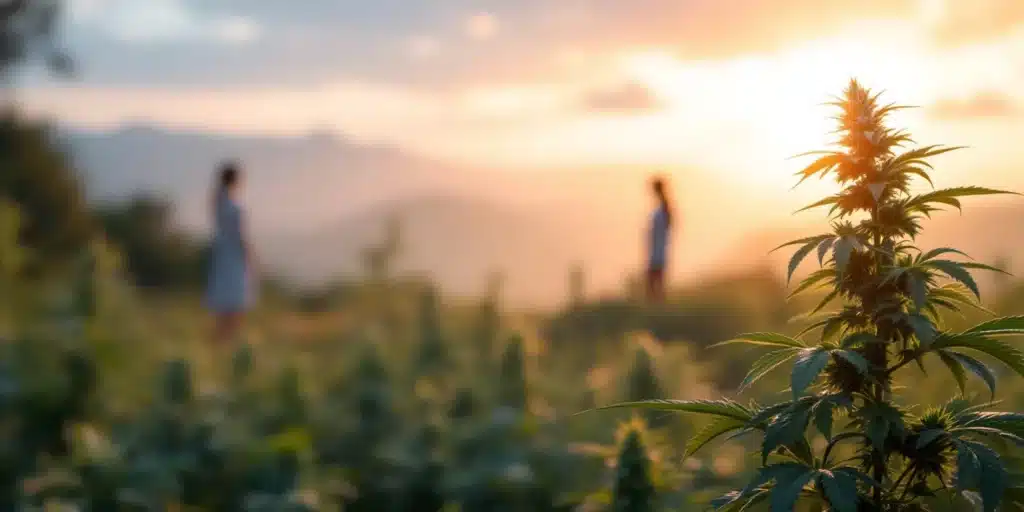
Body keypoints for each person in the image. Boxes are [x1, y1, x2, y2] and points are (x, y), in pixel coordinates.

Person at [206, 161, 255, 343]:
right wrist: (250, 258)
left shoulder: (218, 203)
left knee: (224, 309)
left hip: (221, 256)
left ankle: (220, 343)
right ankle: (229, 344)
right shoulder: (233, 206)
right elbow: (241, 236)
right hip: (234, 258)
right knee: (235, 307)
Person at [646, 175, 673, 302]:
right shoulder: (662, 208)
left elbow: (668, 226)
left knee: (654, 281)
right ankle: (659, 306)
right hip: (658, 249)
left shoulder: (664, 209)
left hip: (659, 250)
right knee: (656, 281)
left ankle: (658, 306)